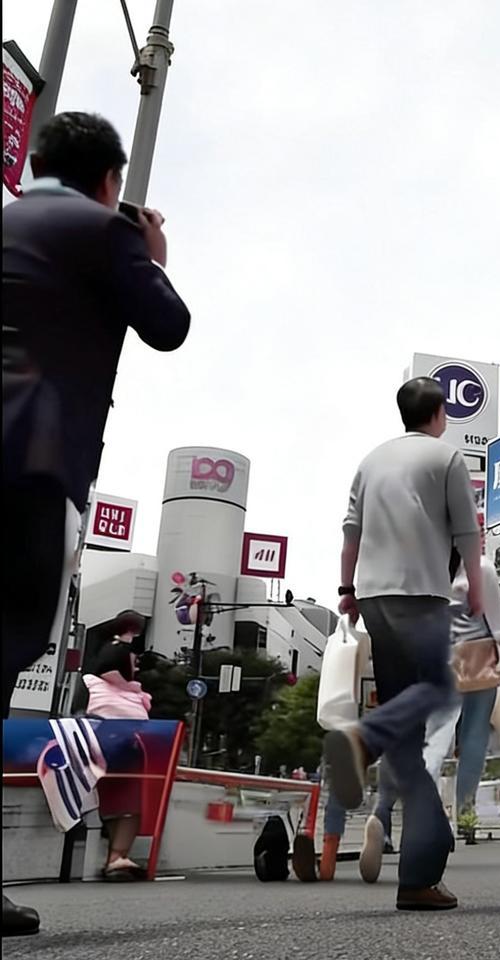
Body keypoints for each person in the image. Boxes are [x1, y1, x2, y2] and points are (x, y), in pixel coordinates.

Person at [2, 112, 190, 937]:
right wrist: (151, 258)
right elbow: (168, 325)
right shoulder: (104, 228)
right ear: (110, 178)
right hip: (28, 464)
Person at [324, 376, 485, 912]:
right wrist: (476, 594)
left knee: (408, 736)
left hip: (372, 594)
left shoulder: (371, 460)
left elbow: (350, 532)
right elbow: (467, 536)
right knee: (438, 688)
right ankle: (364, 740)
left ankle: (418, 874)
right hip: (422, 592)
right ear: (440, 412)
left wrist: (346, 590)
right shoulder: (446, 457)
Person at [359, 543, 500, 884]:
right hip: (477, 658)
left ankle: (383, 815)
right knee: (472, 739)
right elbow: (498, 623)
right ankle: (463, 818)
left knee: (424, 739)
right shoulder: (481, 567)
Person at [83, 637, 151, 881]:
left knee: (112, 806)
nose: (137, 665)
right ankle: (117, 857)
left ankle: (115, 856)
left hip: (93, 752)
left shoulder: (90, 685)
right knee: (129, 807)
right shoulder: (132, 694)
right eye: (134, 660)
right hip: (126, 754)